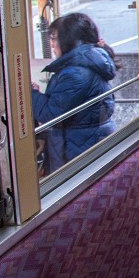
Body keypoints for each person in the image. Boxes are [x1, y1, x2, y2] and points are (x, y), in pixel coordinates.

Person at [31, 13, 118, 175]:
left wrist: (30, 94)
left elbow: (51, 114)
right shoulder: (88, 62)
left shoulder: (76, 73)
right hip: (85, 142)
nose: (51, 45)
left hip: (76, 149)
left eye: (54, 38)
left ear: (68, 40)